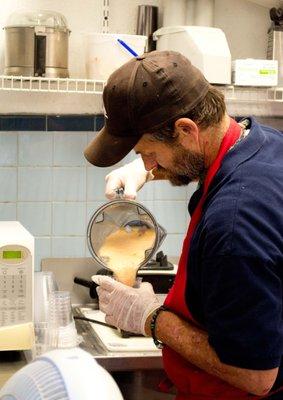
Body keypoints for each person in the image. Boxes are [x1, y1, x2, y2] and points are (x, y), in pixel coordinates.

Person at [84, 50, 283, 399]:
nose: (146, 163)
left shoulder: (234, 224)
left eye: (148, 151)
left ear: (186, 130)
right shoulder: (259, 141)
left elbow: (256, 375)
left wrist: (150, 316)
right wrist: (156, 168)